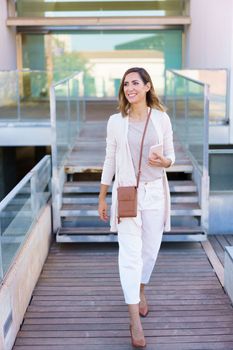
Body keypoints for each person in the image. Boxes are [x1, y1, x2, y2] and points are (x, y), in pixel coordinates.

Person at [98, 67, 175, 348]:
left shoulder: (162, 119)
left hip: (155, 194)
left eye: (134, 83)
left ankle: (141, 290)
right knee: (129, 256)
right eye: (125, 84)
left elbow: (171, 155)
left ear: (147, 86)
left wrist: (165, 162)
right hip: (127, 195)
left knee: (149, 251)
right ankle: (135, 321)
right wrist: (102, 195)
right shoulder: (115, 122)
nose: (129, 88)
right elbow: (109, 159)